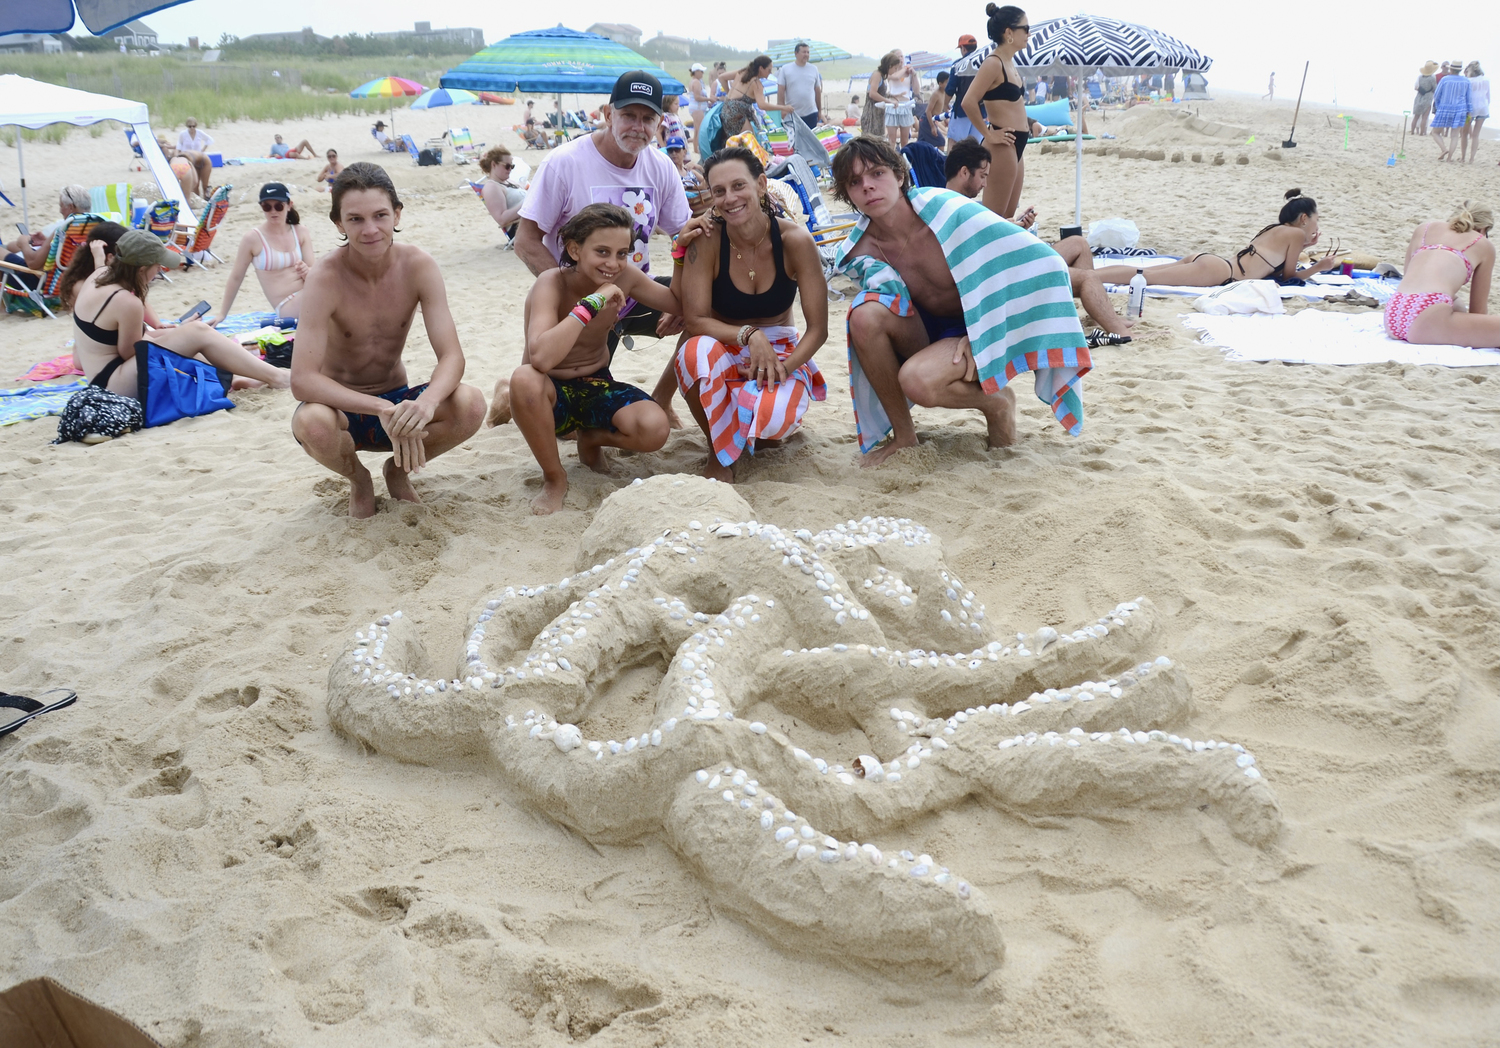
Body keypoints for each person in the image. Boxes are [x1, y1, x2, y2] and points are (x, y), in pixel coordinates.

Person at [830, 136, 1089, 466]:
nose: (867, 186)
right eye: (855, 181)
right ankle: (904, 437)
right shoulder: (861, 250)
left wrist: (982, 331)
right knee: (863, 316)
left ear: (898, 175)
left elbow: (1046, 263)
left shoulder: (948, 211)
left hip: (974, 330)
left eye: (876, 173)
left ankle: (997, 403)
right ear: (847, 193)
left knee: (917, 381)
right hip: (924, 330)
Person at [289, 163, 485, 518]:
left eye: (380, 215)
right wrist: (378, 408)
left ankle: (397, 470)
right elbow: (302, 379)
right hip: (344, 409)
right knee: (311, 423)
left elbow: (452, 356)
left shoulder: (418, 266)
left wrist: (426, 402)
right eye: (355, 219)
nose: (370, 230)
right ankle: (359, 480)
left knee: (470, 403)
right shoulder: (326, 277)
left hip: (397, 399)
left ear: (397, 214)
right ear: (338, 224)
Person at [671, 147, 828, 482]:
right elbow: (696, 319)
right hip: (724, 342)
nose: (730, 198)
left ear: (760, 184)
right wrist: (749, 334)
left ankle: (752, 425)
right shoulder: (708, 241)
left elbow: (818, 330)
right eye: (719, 191)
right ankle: (719, 451)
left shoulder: (794, 241)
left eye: (738, 186)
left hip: (781, 350)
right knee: (693, 352)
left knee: (771, 423)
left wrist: (783, 368)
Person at [507, 204, 677, 514]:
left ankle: (590, 439)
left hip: (596, 384)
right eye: (602, 252)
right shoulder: (551, 282)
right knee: (523, 379)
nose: (613, 264)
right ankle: (555, 478)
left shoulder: (626, 277)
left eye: (622, 253)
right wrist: (592, 302)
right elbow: (541, 358)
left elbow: (681, 302)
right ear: (574, 249)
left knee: (655, 429)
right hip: (549, 396)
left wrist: (682, 253)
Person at [513, 71, 691, 358]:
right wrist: (567, 295)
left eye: (647, 119)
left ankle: (663, 396)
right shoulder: (565, 163)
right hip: (579, 297)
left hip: (635, 288)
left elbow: (685, 236)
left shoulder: (662, 167)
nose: (638, 127)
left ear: (659, 123)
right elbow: (526, 241)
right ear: (608, 115)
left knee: (707, 308)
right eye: (629, 115)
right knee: (560, 383)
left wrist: (686, 302)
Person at [68, 229, 288, 402]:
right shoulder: (128, 303)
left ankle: (238, 378)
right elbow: (130, 352)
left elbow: (120, 343)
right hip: (114, 386)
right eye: (158, 266)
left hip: (100, 377)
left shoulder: (98, 275)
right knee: (197, 332)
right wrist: (177, 336)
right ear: (142, 269)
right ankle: (277, 377)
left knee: (191, 337)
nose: (160, 271)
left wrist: (173, 336)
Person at [944, 143, 1132, 342]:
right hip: (1008, 277)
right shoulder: (961, 211)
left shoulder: (953, 204)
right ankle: (1123, 333)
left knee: (1079, 244)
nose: (985, 184)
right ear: (964, 172)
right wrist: (1014, 229)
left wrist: (1015, 225)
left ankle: (1098, 316)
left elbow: (988, 235)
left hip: (1011, 266)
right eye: (982, 176)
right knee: (1087, 279)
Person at [1092, 189, 1347, 288]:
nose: (1316, 225)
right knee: (1143, 277)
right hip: (1220, 272)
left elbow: (1273, 258)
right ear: (1304, 218)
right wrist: (1318, 267)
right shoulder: (1293, 234)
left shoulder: (1276, 229)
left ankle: (1084, 274)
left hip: (1214, 263)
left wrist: (1306, 244)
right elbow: (1287, 276)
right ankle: (1082, 277)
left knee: (1141, 270)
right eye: (1316, 219)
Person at [1385, 203, 1495, 346]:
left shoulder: (1423, 229)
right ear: (1483, 229)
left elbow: (1408, 276)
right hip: (1427, 316)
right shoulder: (1482, 244)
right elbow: (1478, 311)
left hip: (1395, 313)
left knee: (1456, 304)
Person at [963, 4, 1031, 219]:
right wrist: (988, 133)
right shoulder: (993, 63)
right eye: (1026, 28)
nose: (1030, 33)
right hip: (1002, 143)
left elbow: (1013, 106)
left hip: (1015, 143)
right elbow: (968, 101)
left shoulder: (1009, 62)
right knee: (994, 218)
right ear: (1009, 32)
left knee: (1008, 217)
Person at [213, 183, 315, 321]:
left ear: (289, 205)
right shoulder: (253, 239)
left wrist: (306, 271)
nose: (273, 211)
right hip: (287, 305)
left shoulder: (300, 232)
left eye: (278, 206)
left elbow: (314, 273)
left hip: (309, 292)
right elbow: (236, 277)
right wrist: (222, 314)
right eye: (267, 207)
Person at [2, 184, 91, 283]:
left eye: (61, 206)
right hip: (78, 278)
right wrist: (47, 242)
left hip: (46, 281)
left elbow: (33, 263)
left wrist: (23, 243)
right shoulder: (95, 226)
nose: (60, 210)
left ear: (70, 207)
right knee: (11, 246)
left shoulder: (64, 229)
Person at [719, 55, 795, 148]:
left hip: (726, 108)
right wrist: (783, 107)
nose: (770, 73)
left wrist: (729, 94)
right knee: (750, 143)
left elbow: (722, 77)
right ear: (761, 68)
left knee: (733, 142)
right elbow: (762, 105)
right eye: (769, 70)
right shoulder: (756, 83)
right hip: (738, 113)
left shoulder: (742, 72)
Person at [478, 145, 527, 239]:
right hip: (521, 228)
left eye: (512, 166)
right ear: (494, 165)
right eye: (507, 166)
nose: (510, 170)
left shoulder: (508, 181)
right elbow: (502, 219)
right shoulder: (492, 187)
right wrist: (526, 203)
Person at [946, 34, 983, 148]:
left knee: (954, 143)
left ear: (963, 48)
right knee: (975, 145)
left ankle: (951, 166)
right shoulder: (983, 64)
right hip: (981, 111)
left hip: (962, 110)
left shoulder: (958, 65)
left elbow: (950, 89)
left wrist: (945, 104)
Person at [777, 42, 825, 130]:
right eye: (804, 52)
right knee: (795, 141)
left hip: (811, 113)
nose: (806, 54)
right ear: (796, 53)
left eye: (808, 52)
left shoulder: (813, 69)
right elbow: (781, 91)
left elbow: (817, 91)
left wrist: (819, 111)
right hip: (792, 114)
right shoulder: (785, 69)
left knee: (810, 141)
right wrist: (782, 109)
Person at [1430, 65, 1472, 162]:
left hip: (1444, 108)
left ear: (1451, 69)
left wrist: (1439, 105)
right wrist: (1469, 111)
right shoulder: (1466, 81)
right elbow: (1469, 98)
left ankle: (1444, 149)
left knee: (1435, 132)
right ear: (1460, 70)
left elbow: (1437, 94)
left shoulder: (1445, 79)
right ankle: (1449, 158)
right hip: (1460, 109)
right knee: (1455, 135)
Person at [881, 50, 920, 148]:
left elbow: (916, 90)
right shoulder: (890, 71)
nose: (901, 59)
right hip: (893, 104)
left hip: (905, 104)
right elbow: (895, 77)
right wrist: (906, 67)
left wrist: (914, 74)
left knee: (905, 139)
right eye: (898, 57)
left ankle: (904, 158)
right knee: (892, 139)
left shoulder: (908, 73)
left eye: (902, 56)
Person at [862, 53, 901, 139]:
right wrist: (889, 101)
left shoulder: (882, 76)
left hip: (878, 113)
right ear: (890, 66)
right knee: (871, 139)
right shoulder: (877, 75)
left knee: (878, 138)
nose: (895, 71)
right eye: (895, 68)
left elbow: (879, 93)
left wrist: (891, 96)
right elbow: (872, 93)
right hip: (871, 113)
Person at [1465, 62, 1488, 163]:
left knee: (1464, 133)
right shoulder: (1486, 80)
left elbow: (1466, 97)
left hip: (1470, 110)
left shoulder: (1468, 81)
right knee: (1475, 135)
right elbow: (1488, 97)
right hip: (1483, 108)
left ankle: (1463, 157)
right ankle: (1472, 158)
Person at [918, 72, 950, 148]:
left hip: (932, 119)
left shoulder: (945, 93)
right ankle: (939, 159)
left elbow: (944, 106)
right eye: (946, 82)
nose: (948, 84)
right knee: (940, 141)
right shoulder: (936, 94)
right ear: (940, 84)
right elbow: (928, 111)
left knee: (921, 144)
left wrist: (946, 119)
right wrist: (932, 126)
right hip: (927, 120)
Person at [688, 64, 712, 150]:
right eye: (701, 71)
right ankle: (699, 148)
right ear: (696, 72)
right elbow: (697, 97)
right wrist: (709, 99)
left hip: (695, 107)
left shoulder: (693, 81)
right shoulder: (696, 82)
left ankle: (695, 148)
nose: (702, 73)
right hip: (697, 108)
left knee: (697, 129)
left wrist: (706, 102)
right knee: (701, 130)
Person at [1412, 62, 1438, 137]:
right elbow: (1435, 88)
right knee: (1424, 117)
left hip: (1419, 96)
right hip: (1428, 97)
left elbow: (1416, 87)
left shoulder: (1420, 77)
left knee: (1416, 116)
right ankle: (1422, 132)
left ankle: (1412, 131)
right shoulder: (1432, 78)